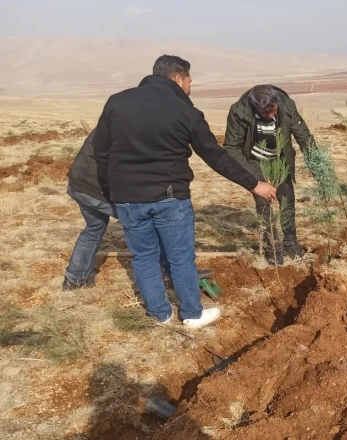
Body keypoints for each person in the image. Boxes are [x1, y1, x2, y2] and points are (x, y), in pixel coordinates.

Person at [93, 55, 277, 328]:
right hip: (170, 198)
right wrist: (254, 184)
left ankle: (160, 314)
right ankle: (192, 314)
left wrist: (114, 192)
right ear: (178, 78)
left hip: (128, 199)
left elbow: (101, 153)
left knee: (143, 257)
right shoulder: (185, 111)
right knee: (180, 258)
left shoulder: (116, 102)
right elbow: (215, 155)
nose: (191, 87)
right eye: (190, 81)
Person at [62, 132, 209, 290]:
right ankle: (172, 274)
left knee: (94, 227)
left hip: (78, 183)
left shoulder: (115, 117)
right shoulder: (132, 129)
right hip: (98, 190)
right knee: (152, 224)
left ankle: (74, 279)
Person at [223, 85, 316, 265]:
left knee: (287, 199)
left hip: (279, 158)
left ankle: (290, 241)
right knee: (263, 202)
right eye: (266, 114)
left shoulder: (286, 105)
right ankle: (272, 246)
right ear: (254, 105)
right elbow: (232, 148)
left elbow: (302, 133)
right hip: (254, 161)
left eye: (274, 111)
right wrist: (251, 179)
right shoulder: (238, 111)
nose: (272, 116)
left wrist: (316, 162)